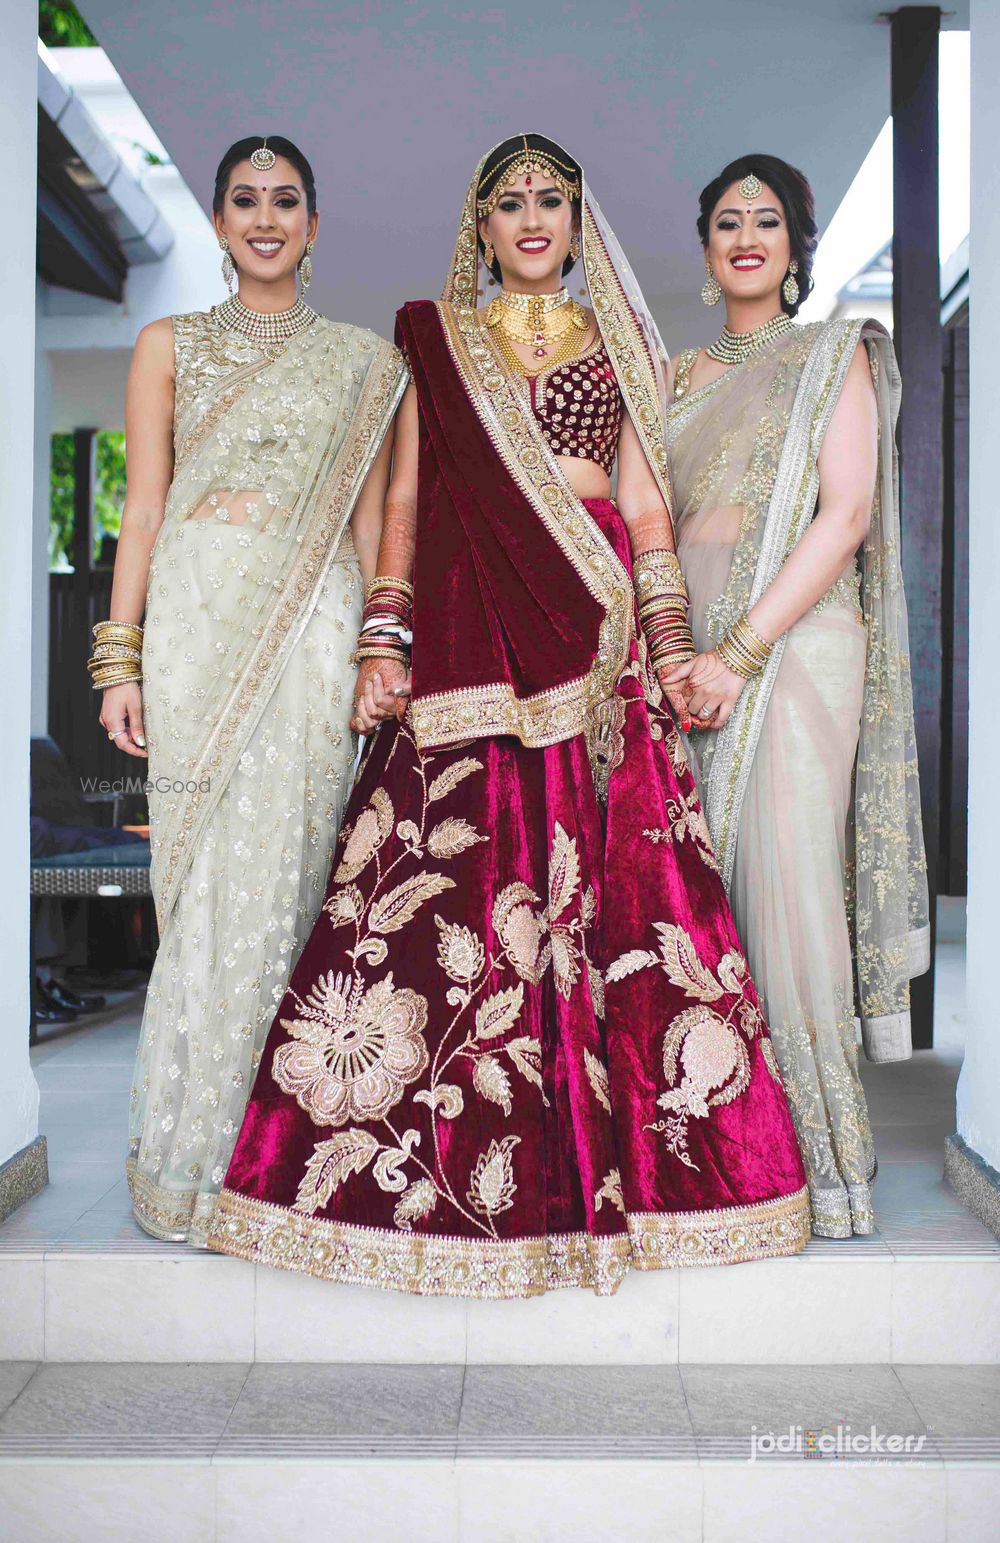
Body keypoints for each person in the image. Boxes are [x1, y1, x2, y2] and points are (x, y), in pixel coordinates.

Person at [207, 134, 810, 1298]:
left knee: (625, 896)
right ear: (477, 228)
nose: (531, 216)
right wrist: (383, 633)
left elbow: (642, 503)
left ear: (579, 223)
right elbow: (407, 495)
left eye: (551, 200)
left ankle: (659, 1172)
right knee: (447, 884)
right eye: (508, 202)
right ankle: (415, 1171)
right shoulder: (435, 339)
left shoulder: (621, 342)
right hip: (468, 623)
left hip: (591, 622)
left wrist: (670, 642)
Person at [96, 136, 408, 1243]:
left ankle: (265, 1165)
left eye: (286, 201)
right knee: (194, 895)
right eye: (245, 201)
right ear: (219, 224)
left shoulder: (368, 365)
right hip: (191, 630)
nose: (266, 217)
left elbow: (375, 526)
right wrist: (119, 655)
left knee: (284, 881)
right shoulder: (165, 345)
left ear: (313, 227)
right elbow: (141, 510)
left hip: (310, 634)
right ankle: (184, 1157)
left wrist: (383, 646)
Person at [663, 154, 929, 1237]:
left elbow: (846, 514)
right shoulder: (675, 377)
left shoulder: (836, 356)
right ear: (706, 243)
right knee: (698, 904)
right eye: (725, 220)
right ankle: (728, 1159)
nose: (744, 236)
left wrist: (739, 648)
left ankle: (820, 1164)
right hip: (684, 672)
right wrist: (681, 653)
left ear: (796, 243)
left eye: (765, 220)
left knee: (789, 895)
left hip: (792, 651)